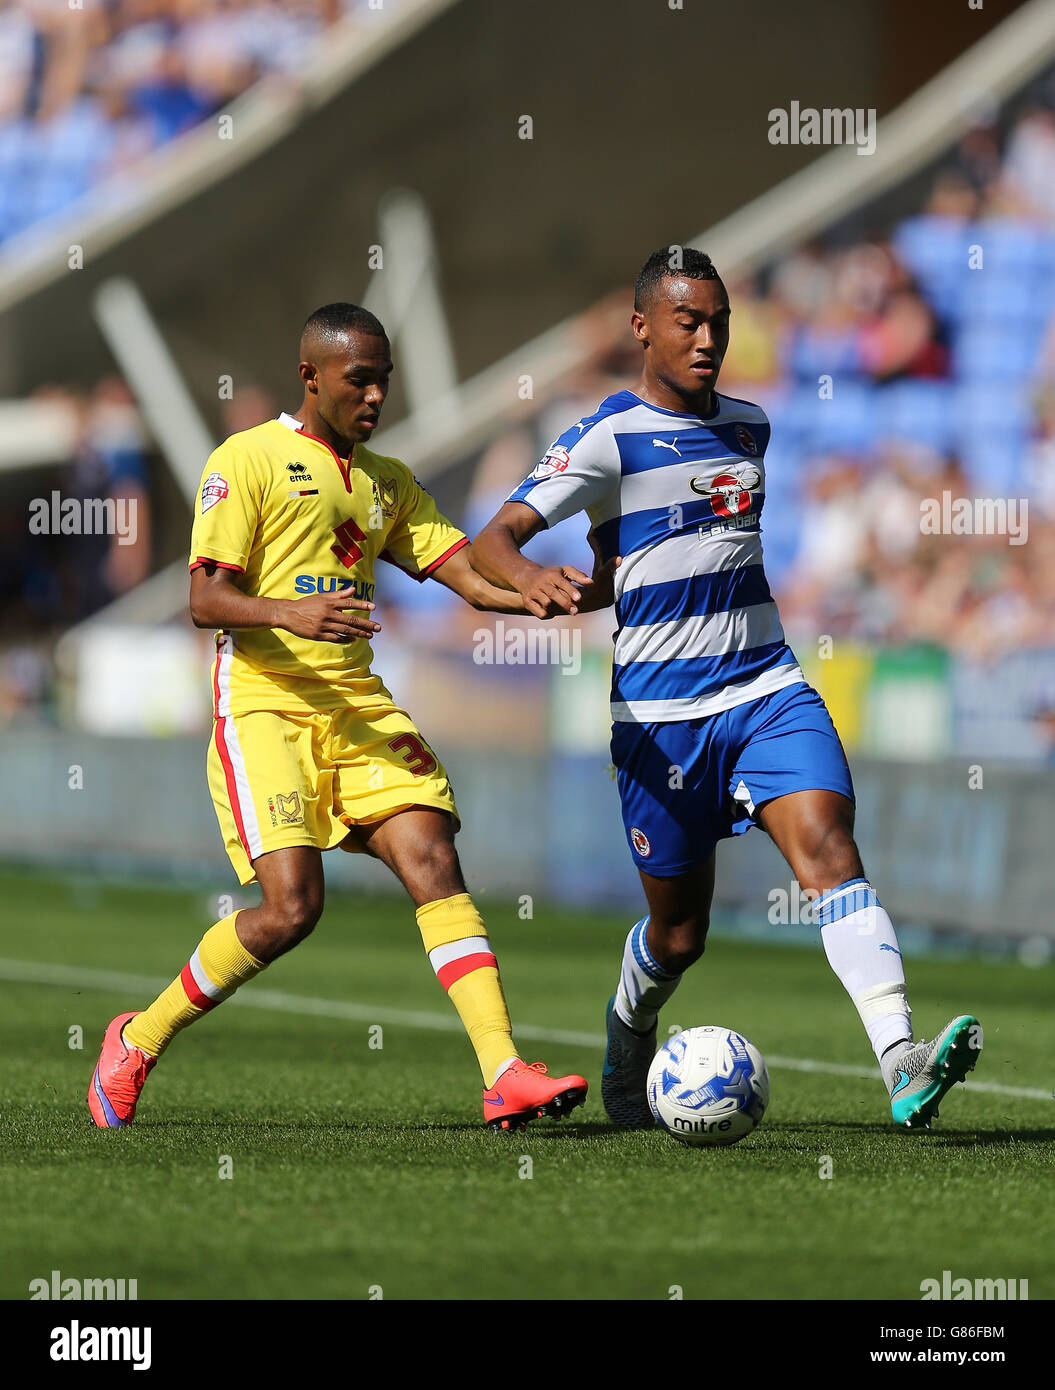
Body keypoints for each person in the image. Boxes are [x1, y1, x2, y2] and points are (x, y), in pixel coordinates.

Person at [470, 247, 982, 1130]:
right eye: (687, 322)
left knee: (827, 848)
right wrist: (532, 581)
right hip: (659, 724)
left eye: (718, 323)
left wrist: (618, 569)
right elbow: (494, 540)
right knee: (678, 937)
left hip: (764, 688)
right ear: (642, 328)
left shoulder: (751, 426)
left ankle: (899, 1061)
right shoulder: (604, 437)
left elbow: (682, 546)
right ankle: (628, 1029)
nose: (707, 339)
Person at [88, 302, 593, 1134]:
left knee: (430, 849)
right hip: (264, 702)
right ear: (310, 376)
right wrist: (290, 612)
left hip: (355, 703)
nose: (373, 397)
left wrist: (544, 591)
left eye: (382, 382)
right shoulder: (245, 459)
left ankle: (502, 1071)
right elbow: (203, 597)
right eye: (358, 380)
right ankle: (137, 1039)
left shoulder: (385, 481)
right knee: (291, 909)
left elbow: (467, 576)